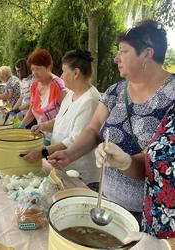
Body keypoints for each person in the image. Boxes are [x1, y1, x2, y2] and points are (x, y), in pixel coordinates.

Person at [48, 20, 175, 221]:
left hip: (150, 217)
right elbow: (93, 129)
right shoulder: (115, 91)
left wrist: (126, 162)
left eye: (123, 51)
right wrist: (69, 154)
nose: (116, 58)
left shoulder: (171, 96)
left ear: (147, 54)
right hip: (106, 203)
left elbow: (160, 161)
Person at [95, 105, 175, 249]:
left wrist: (165, 246)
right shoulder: (172, 115)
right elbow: (154, 163)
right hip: (147, 237)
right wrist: (125, 162)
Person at [22, 50, 101, 188]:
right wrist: (42, 126)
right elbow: (59, 121)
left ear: (76, 73)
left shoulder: (90, 100)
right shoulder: (71, 93)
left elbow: (74, 140)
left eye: (64, 72)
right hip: (63, 166)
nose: (61, 76)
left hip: (81, 174)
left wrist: (43, 152)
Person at [20, 48, 67, 144]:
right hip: (43, 136)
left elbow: (67, 115)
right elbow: (31, 111)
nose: (34, 72)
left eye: (38, 69)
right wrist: (21, 126)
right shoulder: (34, 86)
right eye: (32, 69)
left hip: (59, 139)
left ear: (49, 67)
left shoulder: (58, 86)